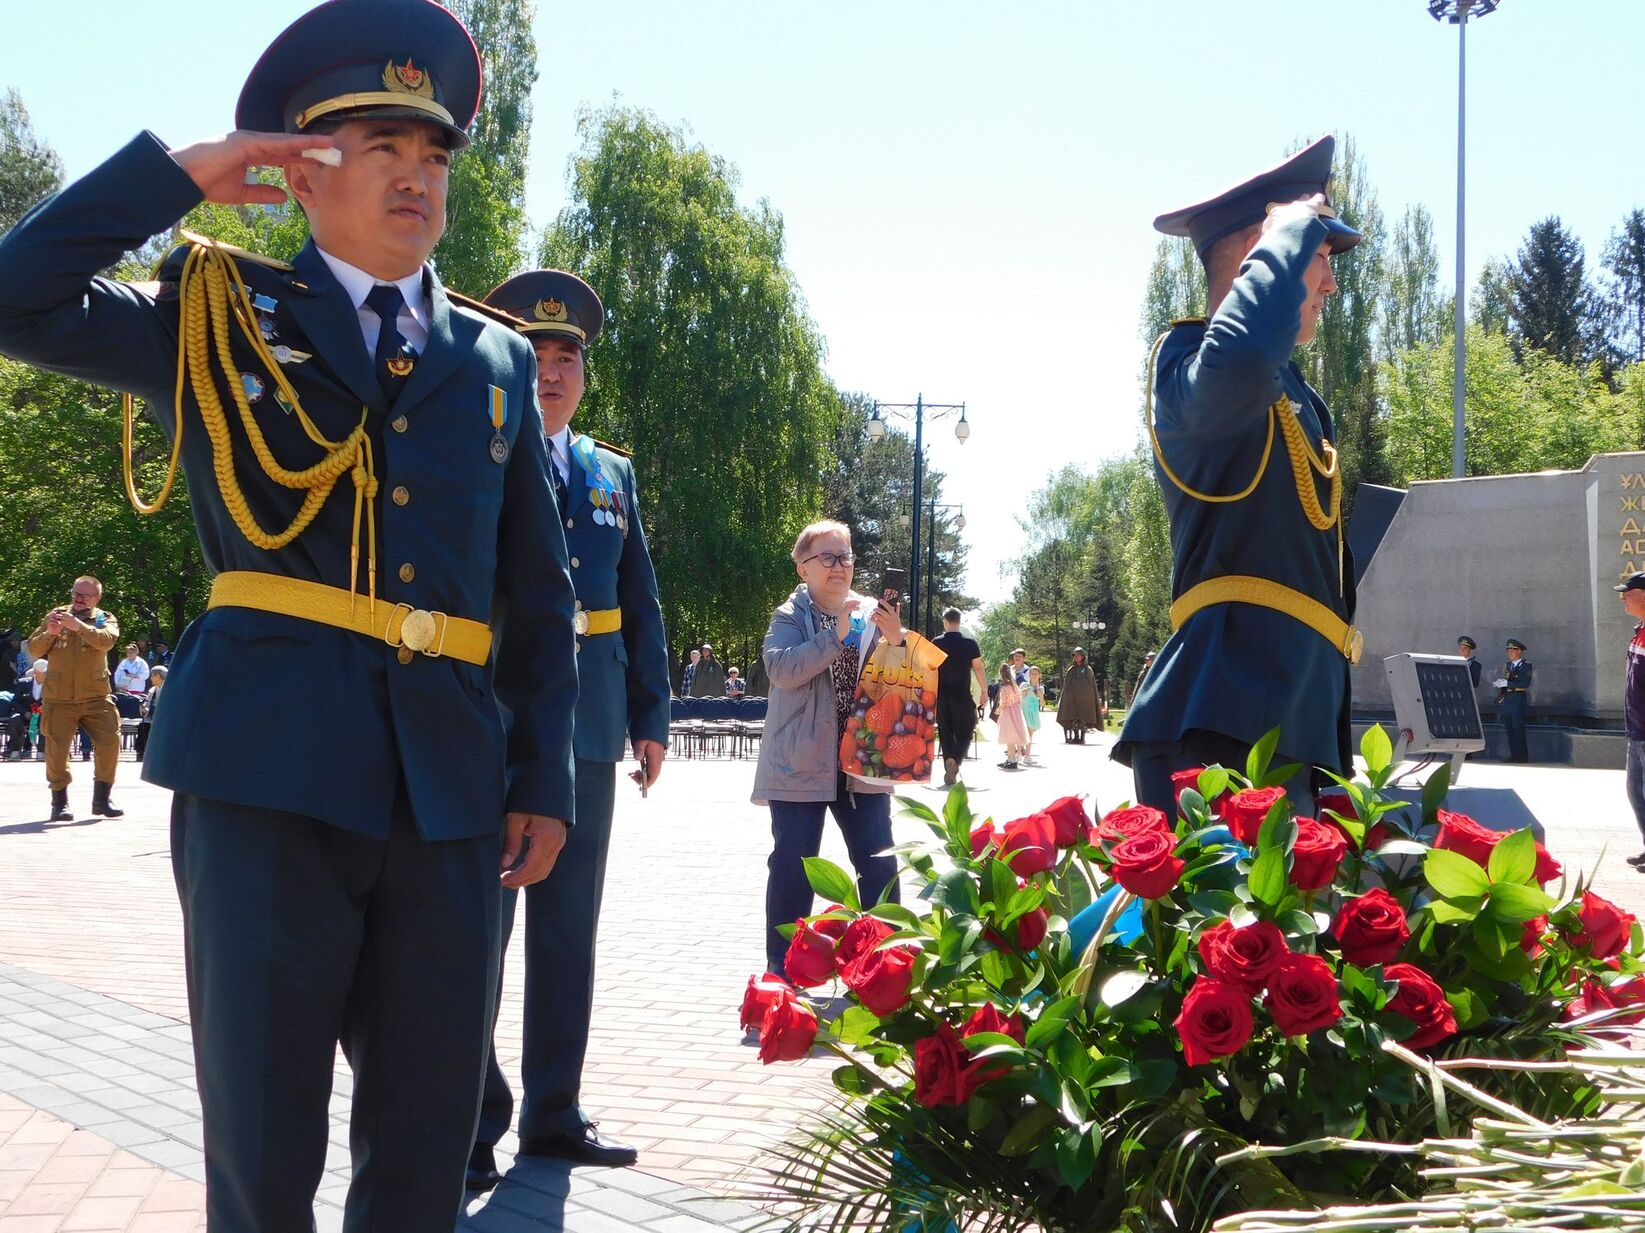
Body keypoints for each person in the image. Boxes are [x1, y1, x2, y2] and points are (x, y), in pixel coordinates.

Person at [0, 3, 580, 1226]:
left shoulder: (495, 361)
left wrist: (544, 776)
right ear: (302, 172)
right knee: (264, 1157)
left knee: (427, 1150)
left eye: (433, 156)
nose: (417, 177)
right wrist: (182, 176)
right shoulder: (215, 316)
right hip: (265, 776)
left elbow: (537, 588)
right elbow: (14, 297)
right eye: (381, 148)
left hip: (449, 796)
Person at [472, 267, 670, 1181]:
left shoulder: (609, 472)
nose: (550, 373)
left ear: (584, 374)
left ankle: (553, 1109)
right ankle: (472, 1119)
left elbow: (639, 599)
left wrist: (651, 715)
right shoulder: (472, 443)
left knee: (566, 932)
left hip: (588, 725)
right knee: (480, 928)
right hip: (493, 718)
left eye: (566, 358)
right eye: (534, 355)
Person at [1113, 136, 1364, 812]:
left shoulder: (1296, 395)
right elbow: (1242, 354)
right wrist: (1285, 235)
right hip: (1220, 724)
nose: (1330, 282)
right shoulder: (1192, 360)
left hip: (1293, 721)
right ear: (1264, 248)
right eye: (1316, 256)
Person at [753, 520, 905, 979]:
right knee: (794, 868)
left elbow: (897, 686)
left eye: (846, 557)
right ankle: (782, 969)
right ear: (803, 569)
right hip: (801, 763)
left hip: (861, 763)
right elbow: (781, 669)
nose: (840, 566)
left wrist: (896, 641)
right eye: (828, 557)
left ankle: (885, 968)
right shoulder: (789, 616)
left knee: (880, 865)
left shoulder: (869, 615)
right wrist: (833, 634)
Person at [27, 577, 123, 821]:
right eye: (76, 593)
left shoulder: (104, 618)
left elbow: (107, 641)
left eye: (86, 595)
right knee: (56, 750)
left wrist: (78, 626)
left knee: (110, 741)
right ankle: (59, 803)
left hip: (96, 696)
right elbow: (34, 649)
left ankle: (102, 799)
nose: (79, 598)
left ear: (97, 598)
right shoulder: (56, 615)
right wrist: (50, 632)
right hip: (59, 697)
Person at [931, 607, 986, 786]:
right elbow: (978, 667)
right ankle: (956, 758)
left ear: (945, 622)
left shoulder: (936, 642)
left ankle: (949, 761)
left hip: (942, 695)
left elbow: (929, 667)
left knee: (945, 731)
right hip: (962, 694)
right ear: (959, 622)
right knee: (966, 731)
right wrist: (984, 691)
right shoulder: (970, 644)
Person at [1616, 575, 1645, 868]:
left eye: (1628, 593)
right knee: (1636, 793)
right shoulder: (1639, 632)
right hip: (1636, 731)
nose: (1623, 598)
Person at [1495, 638, 1533, 763]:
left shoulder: (1526, 665)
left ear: (1519, 651)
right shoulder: (1507, 666)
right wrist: (1501, 687)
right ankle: (1514, 755)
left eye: (1512, 650)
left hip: (1518, 698)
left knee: (1518, 728)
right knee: (1509, 728)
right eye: (1508, 650)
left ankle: (1522, 757)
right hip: (1508, 699)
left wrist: (1509, 684)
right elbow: (1506, 681)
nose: (1510, 652)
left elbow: (1525, 683)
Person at [1058, 647, 1101, 744]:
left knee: (1084, 718)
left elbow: (1090, 686)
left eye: (1078, 655)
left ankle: (1082, 737)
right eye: (1075, 655)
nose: (1076, 657)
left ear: (1083, 657)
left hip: (1085, 700)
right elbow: (1067, 686)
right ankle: (1075, 737)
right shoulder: (1071, 670)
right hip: (1072, 699)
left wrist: (1086, 696)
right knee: (1073, 717)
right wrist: (1067, 697)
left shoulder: (1088, 670)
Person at [995, 663, 1028, 769]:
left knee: (1009, 737)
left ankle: (1012, 759)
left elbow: (1003, 702)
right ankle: (1010, 758)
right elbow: (1019, 700)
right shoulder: (1015, 687)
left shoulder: (1005, 688)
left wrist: (998, 710)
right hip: (1016, 713)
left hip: (1008, 713)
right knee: (1013, 737)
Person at [134, 665, 167, 762]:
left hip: (164, 719)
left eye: (152, 675)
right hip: (152, 718)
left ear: (158, 676)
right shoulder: (152, 690)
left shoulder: (169, 689)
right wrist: (144, 709)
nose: (150, 678)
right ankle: (141, 753)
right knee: (142, 727)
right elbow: (148, 705)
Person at [1022, 665, 1045, 763]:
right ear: (1029, 675)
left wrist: (1040, 696)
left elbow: (1042, 704)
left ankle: (1027, 756)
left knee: (1029, 734)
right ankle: (1019, 754)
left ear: (1040, 675)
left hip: (1033, 711)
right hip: (1023, 710)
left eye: (1036, 674)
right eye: (1032, 674)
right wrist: (1024, 692)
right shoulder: (1024, 685)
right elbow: (1019, 698)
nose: (1034, 675)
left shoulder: (1040, 688)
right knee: (1022, 733)